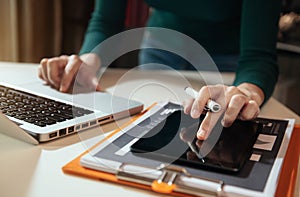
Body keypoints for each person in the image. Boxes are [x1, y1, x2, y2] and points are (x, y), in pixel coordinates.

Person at [38, 0, 281, 140]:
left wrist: (245, 92)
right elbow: (106, 20)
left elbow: (258, 56)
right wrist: (87, 62)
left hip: (228, 59)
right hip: (160, 49)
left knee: (221, 139)